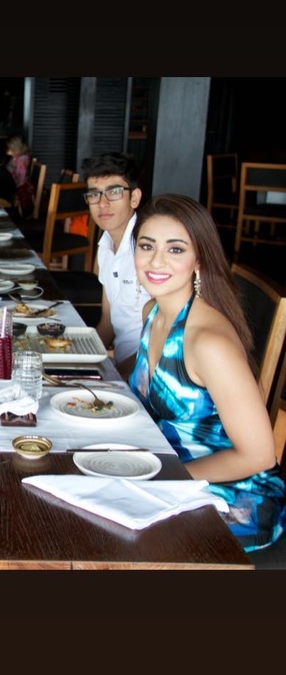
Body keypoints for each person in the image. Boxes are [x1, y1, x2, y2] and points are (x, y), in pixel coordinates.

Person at [129, 194, 286, 552]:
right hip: (167, 472)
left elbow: (259, 455)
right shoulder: (153, 312)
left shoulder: (208, 343)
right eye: (147, 246)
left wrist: (160, 478)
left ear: (199, 259)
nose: (156, 261)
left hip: (235, 499)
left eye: (175, 249)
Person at [81, 151, 150, 380]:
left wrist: (116, 378)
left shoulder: (149, 250)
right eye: (94, 194)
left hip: (146, 374)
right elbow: (108, 321)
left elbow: (163, 341)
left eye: (114, 192)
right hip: (120, 366)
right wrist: (81, 362)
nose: (103, 203)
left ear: (134, 198)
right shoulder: (106, 245)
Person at [5, 133, 35, 216]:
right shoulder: (16, 157)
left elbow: (21, 179)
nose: (7, 150)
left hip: (15, 185)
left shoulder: (22, 160)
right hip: (11, 182)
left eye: (10, 148)